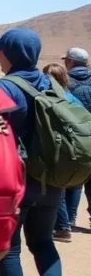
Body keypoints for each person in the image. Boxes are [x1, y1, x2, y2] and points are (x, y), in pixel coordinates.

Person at [0, 28, 68, 276]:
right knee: (44, 242)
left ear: (6, 54)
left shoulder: (3, 89)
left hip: (16, 183)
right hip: (52, 181)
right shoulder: (54, 85)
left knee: (9, 248)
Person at [45, 62, 87, 242]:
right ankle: (69, 219)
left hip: (59, 149)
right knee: (72, 186)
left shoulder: (50, 99)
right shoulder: (72, 98)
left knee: (57, 187)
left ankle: (63, 227)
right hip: (76, 149)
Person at [62, 47, 91, 228]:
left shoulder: (66, 84)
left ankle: (69, 219)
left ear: (71, 62)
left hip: (76, 139)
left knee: (74, 180)